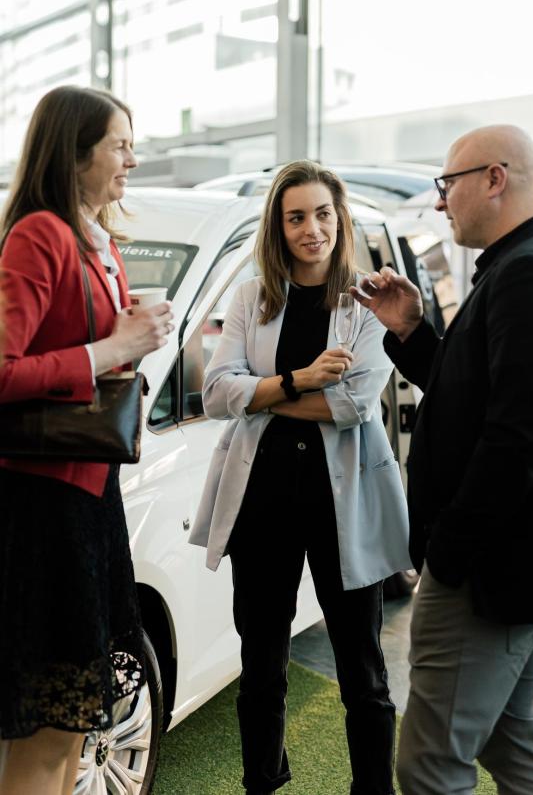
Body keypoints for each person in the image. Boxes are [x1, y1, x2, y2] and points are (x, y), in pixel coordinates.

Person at [351, 125, 533, 795]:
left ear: (495, 177)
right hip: (508, 563)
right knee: (507, 740)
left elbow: (518, 439)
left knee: (431, 764)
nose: (440, 203)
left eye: (447, 184)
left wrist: (451, 551)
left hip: (491, 572)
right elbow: (477, 397)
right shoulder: (524, 264)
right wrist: (409, 330)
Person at [189, 159, 411, 795]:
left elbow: (353, 405)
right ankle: (263, 781)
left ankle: (372, 788)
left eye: (322, 214)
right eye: (296, 217)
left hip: (343, 504)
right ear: (278, 226)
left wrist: (261, 394)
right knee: (260, 660)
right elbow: (213, 392)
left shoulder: (367, 303)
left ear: (339, 219)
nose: (312, 229)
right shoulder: (252, 296)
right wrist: (299, 380)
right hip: (261, 500)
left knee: (361, 665)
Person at [0, 85, 173, 795]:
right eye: (120, 145)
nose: (132, 159)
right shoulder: (38, 234)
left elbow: (93, 348)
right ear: (75, 156)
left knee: (74, 728)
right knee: (47, 735)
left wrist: (131, 341)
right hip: (42, 509)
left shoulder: (93, 240)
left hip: (86, 503)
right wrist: (114, 348)